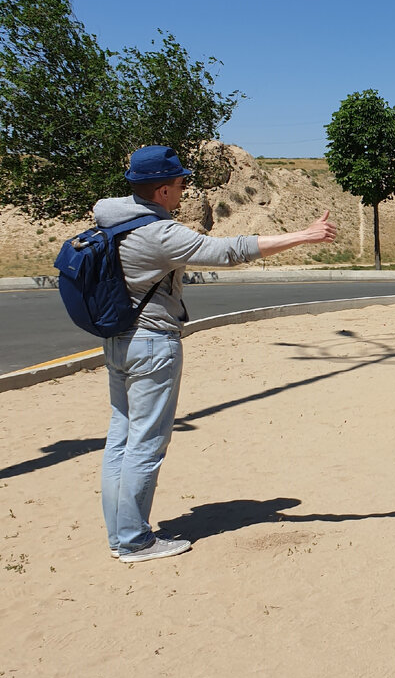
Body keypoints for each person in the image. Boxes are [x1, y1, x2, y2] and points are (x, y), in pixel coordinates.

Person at [94, 145, 337, 563]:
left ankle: (123, 535)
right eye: (179, 182)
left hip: (118, 341)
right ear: (163, 191)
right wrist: (304, 235)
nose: (185, 188)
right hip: (151, 344)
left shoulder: (112, 220)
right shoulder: (157, 233)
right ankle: (134, 541)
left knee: (121, 440)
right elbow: (229, 251)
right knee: (145, 445)